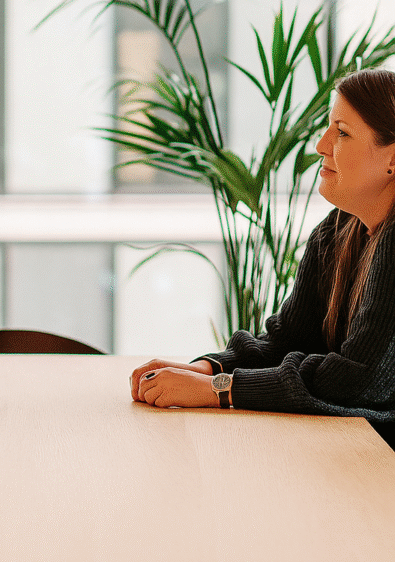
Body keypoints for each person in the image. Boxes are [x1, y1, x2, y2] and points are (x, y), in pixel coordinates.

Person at [130, 67, 395, 446]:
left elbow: (354, 380)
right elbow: (288, 339)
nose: (321, 145)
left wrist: (218, 389)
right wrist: (206, 368)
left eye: (342, 132)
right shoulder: (338, 230)